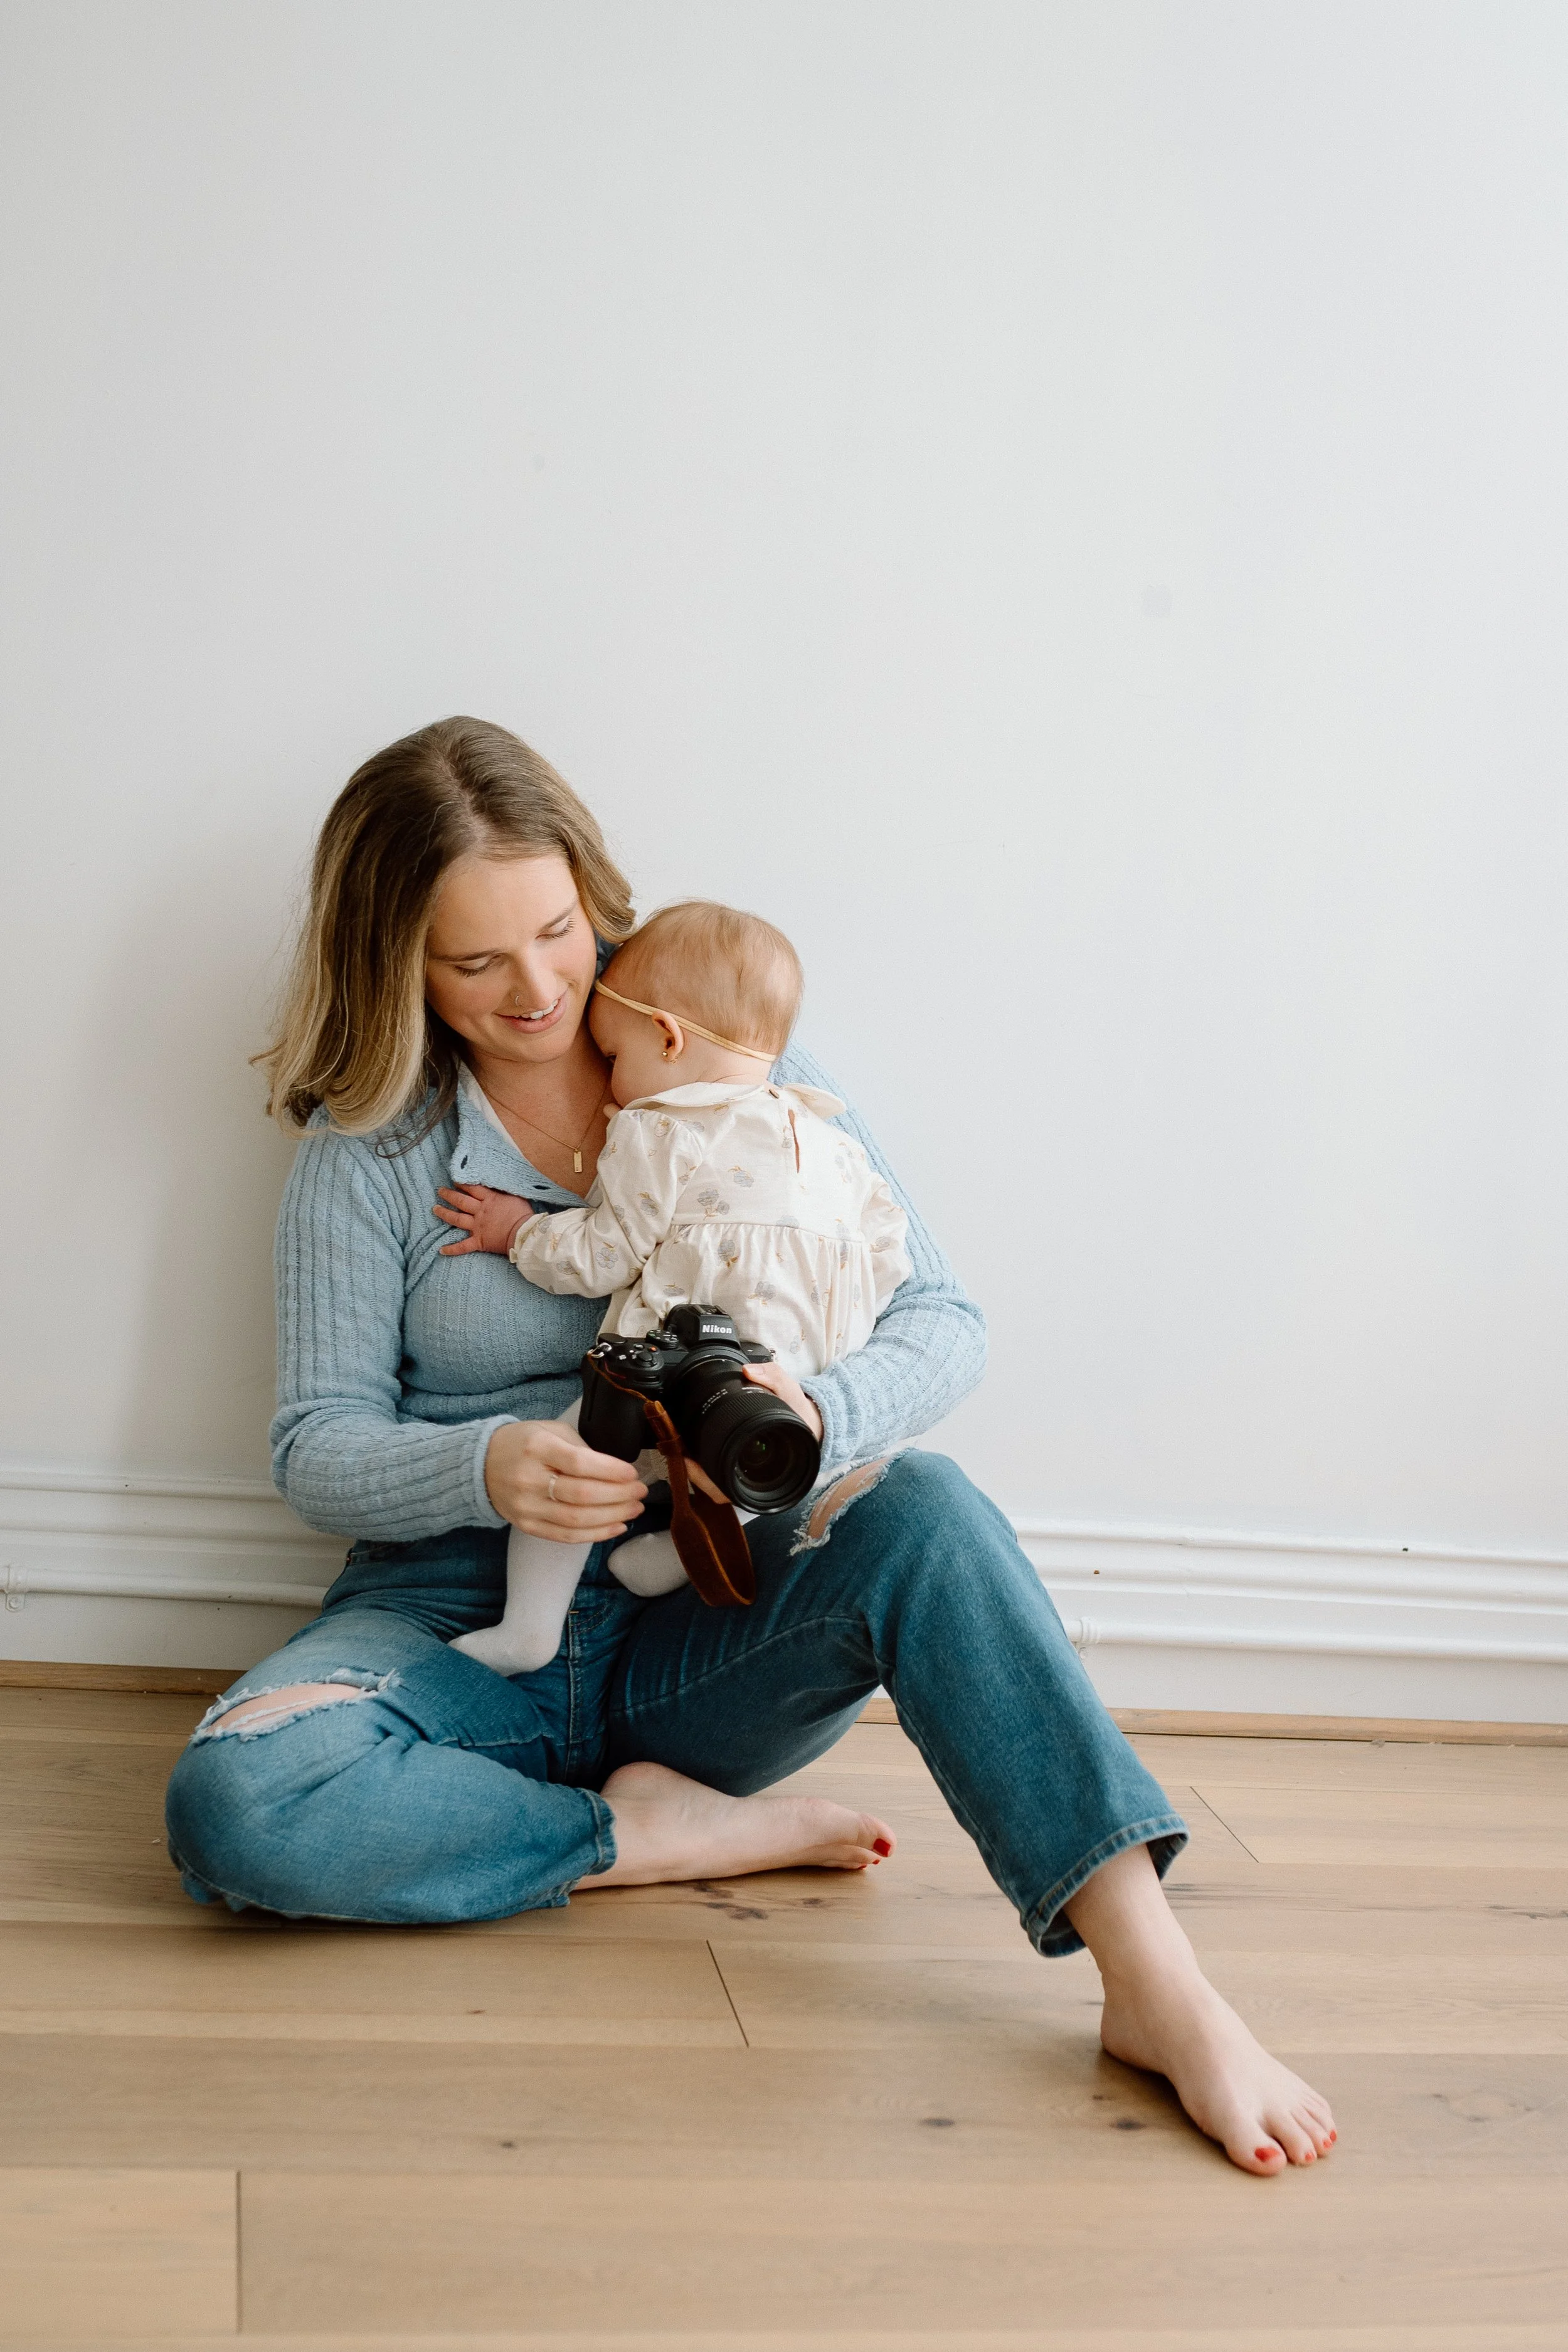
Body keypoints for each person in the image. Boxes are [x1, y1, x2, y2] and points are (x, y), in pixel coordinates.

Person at [163, 715, 1337, 2178]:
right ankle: (641, 1835)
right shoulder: (375, 1150)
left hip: (704, 1607)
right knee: (238, 1800)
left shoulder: (741, 1074)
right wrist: (487, 1467)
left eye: (558, 930)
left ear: (595, 888)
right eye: (476, 963)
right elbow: (315, 1444)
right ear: (397, 961)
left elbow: (946, 1319)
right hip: (455, 1619)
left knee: (929, 1511)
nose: (538, 987)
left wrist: (810, 1415)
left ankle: (1154, 1979)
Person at [430, 896, 913, 1675]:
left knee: (570, 1458)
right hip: (783, 1381)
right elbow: (889, 1254)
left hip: (673, 1370)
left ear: (667, 1037)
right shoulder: (830, 1142)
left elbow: (603, 1252)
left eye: (614, 1058)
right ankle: (674, 1558)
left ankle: (528, 1629)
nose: (611, 1087)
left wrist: (518, 1231)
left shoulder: (660, 1129)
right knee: (756, 1466)